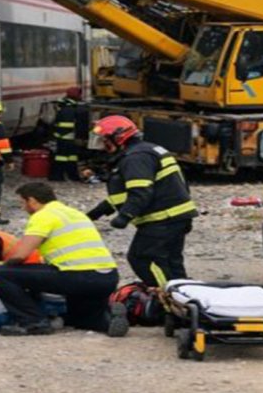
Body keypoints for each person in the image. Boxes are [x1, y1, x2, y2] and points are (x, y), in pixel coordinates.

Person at [0, 183, 127, 337]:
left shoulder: (43, 215)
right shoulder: (75, 213)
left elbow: (21, 255)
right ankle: (107, 321)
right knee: (79, 318)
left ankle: (33, 322)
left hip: (78, 276)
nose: (22, 207)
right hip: (107, 277)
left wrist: (5, 267)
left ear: (32, 200)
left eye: (22, 202)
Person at [84, 115, 197, 287]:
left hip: (162, 219)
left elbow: (140, 192)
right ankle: (184, 294)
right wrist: (95, 214)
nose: (103, 146)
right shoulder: (145, 150)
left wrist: (124, 216)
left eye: (105, 140)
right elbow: (125, 195)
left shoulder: (135, 158)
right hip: (175, 217)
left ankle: (164, 294)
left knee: (142, 258)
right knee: (170, 261)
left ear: (118, 137)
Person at [49, 87, 85, 182]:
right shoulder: (72, 109)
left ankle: (71, 175)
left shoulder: (64, 107)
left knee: (71, 157)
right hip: (67, 137)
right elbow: (76, 125)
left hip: (63, 136)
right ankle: (57, 176)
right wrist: (80, 137)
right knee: (62, 157)